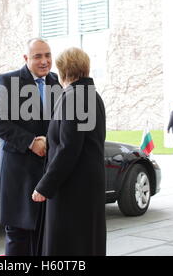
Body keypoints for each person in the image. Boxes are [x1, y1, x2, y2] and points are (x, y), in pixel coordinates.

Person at [32, 47, 107, 256]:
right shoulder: (92, 95)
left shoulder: (72, 96)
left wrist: (45, 186)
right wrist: (51, 139)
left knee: (66, 246)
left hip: (72, 187)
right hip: (89, 184)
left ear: (63, 70)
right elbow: (82, 138)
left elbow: (68, 148)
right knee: (88, 243)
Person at [0, 38, 61, 256]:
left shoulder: (55, 81)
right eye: (38, 56)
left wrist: (52, 140)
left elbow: (58, 121)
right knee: (18, 234)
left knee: (44, 233)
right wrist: (31, 142)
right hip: (19, 172)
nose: (44, 61)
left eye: (47, 55)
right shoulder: (7, 80)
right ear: (26, 58)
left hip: (46, 171)